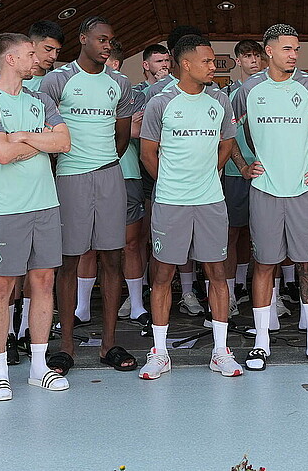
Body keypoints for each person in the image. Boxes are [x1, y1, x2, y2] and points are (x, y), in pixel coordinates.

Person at [0, 34, 72, 401]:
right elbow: (0, 153)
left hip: (45, 204)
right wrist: (38, 139)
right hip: (5, 210)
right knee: (1, 288)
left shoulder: (41, 98)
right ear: (11, 59)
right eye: (31, 54)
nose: (38, 60)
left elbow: (64, 143)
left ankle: (38, 367)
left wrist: (23, 136)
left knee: (43, 282)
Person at [233, 24, 308, 369]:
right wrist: (243, 163)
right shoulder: (247, 89)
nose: (294, 55)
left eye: (296, 49)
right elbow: (230, 130)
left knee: (307, 265)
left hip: (304, 191)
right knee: (264, 265)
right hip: (265, 190)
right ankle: (261, 343)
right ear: (269, 51)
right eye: (287, 49)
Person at [139, 35, 243, 379]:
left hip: (211, 200)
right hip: (170, 203)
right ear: (186, 64)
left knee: (217, 272)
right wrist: (172, 182)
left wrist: (206, 174)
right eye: (208, 62)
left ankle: (220, 351)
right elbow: (147, 152)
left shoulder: (220, 101)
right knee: (163, 275)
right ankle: (159, 353)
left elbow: (227, 142)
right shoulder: (161, 102)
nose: (214, 67)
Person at [39, 17, 137, 374]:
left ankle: (108, 343)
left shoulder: (120, 84)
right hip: (70, 177)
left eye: (111, 40)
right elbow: (43, 130)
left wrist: (104, 162)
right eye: (100, 39)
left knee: (112, 259)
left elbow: (122, 135)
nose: (107, 45)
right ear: (82, 40)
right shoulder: (57, 80)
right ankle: (65, 345)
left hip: (110, 176)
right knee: (68, 262)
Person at [106, 43, 149, 326]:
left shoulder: (135, 95)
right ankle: (83, 307)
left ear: (117, 65)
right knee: (89, 248)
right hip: (90, 174)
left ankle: (136, 304)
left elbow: (141, 130)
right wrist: (121, 125)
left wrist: (107, 124)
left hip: (129, 173)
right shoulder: (75, 89)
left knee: (131, 244)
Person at [223, 39, 264, 315]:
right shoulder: (227, 94)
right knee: (232, 232)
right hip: (235, 171)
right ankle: (228, 293)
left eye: (256, 56)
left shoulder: (269, 89)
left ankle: (256, 289)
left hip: (265, 170)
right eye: (247, 56)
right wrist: (238, 165)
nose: (253, 61)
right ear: (238, 60)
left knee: (261, 233)